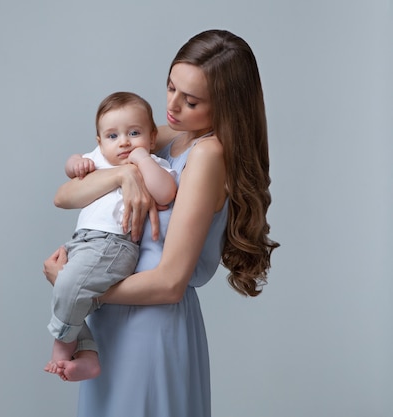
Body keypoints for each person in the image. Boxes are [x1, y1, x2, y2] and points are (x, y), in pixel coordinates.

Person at [43, 29, 279, 416]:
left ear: (226, 106)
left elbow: (171, 283)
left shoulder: (207, 155)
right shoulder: (166, 136)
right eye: (171, 87)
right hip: (112, 318)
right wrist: (123, 176)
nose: (172, 105)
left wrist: (77, 287)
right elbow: (64, 195)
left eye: (191, 100)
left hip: (152, 323)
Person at [44, 91, 177, 381]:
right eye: (113, 136)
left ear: (152, 137)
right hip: (82, 241)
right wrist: (75, 164)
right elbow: (70, 171)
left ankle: (61, 344)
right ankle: (89, 355)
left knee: (67, 287)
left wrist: (142, 159)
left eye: (134, 133)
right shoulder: (100, 160)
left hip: (114, 244)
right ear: (100, 142)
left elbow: (166, 191)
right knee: (76, 299)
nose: (125, 142)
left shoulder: (151, 163)